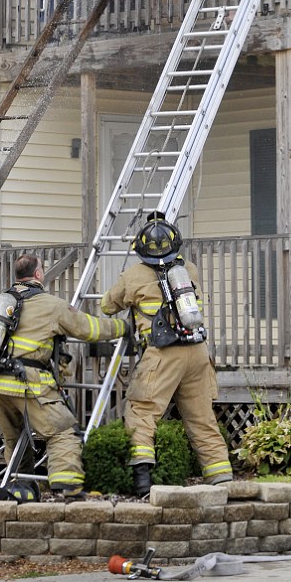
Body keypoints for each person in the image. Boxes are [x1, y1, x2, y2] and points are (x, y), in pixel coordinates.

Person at [101, 211, 233, 497]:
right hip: (197, 352)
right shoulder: (189, 270)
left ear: (140, 248)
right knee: (201, 418)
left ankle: (142, 482)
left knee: (142, 412)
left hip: (163, 354)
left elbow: (107, 305)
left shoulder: (133, 276)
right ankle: (221, 478)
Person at [0, 254, 129, 498]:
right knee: (61, 430)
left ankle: (20, 489)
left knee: (14, 438)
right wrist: (123, 328)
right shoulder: (51, 305)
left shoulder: (3, 302)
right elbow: (88, 329)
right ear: (38, 275)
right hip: (26, 381)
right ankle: (67, 485)